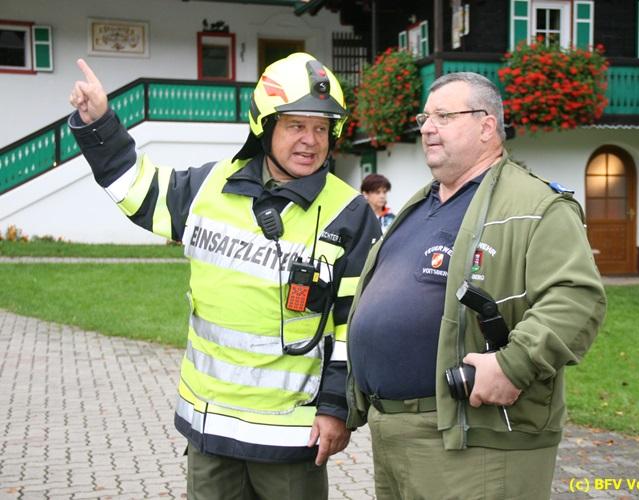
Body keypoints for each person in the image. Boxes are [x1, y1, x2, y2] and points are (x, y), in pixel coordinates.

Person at [68, 53, 381, 499]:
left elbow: (356, 328)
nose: (311, 141)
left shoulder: (350, 214)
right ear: (264, 126)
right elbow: (136, 190)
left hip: (291, 440)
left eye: (321, 128)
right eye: (296, 125)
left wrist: (336, 410)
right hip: (209, 429)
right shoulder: (209, 186)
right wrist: (100, 123)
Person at [346, 72, 607, 499]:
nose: (427, 128)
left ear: (487, 126)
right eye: (425, 118)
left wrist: (513, 365)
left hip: (474, 445)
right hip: (392, 433)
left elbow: (577, 298)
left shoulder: (537, 205)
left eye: (444, 116)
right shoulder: (422, 204)